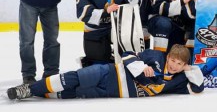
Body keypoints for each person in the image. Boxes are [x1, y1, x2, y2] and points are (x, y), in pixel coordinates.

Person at [7, 45, 204, 100]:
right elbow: (127, 54)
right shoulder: (155, 57)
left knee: (70, 93)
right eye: (173, 61)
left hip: (110, 92)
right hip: (108, 73)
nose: (175, 66)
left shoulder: (177, 80)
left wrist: (191, 69)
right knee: (72, 78)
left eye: (180, 64)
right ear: (168, 57)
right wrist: (140, 66)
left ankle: (38, 92)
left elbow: (197, 88)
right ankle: (29, 90)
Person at [76, 0, 141, 67]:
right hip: (96, 30)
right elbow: (82, 12)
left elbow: (136, 6)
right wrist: (105, 12)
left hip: (120, 30)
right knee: (98, 66)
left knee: (125, 63)